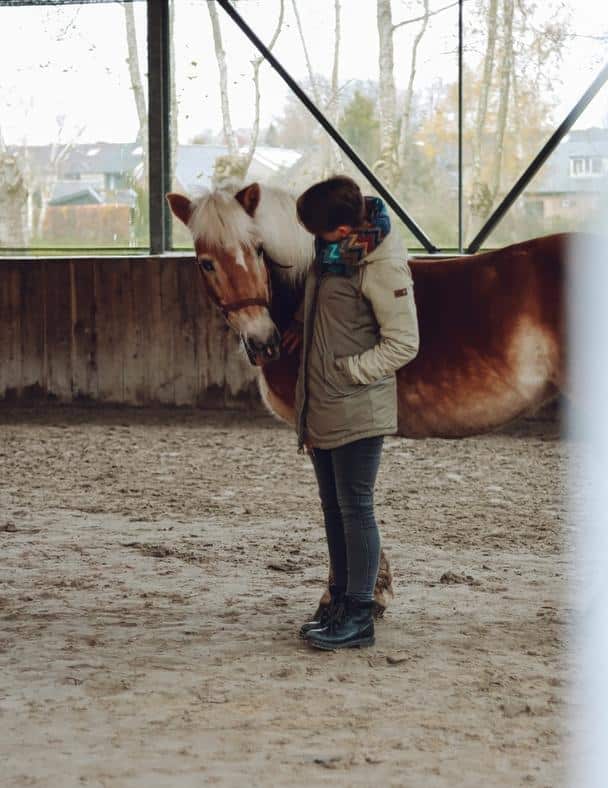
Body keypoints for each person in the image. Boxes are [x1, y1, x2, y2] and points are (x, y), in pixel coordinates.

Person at [282, 175, 419, 651]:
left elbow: (404, 342)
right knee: (333, 508)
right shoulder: (335, 255)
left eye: (318, 232)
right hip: (322, 402)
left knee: (356, 508)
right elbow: (325, 301)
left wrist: (351, 371)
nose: (314, 241)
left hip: (356, 402)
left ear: (342, 230)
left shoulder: (382, 264)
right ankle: (340, 601)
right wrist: (303, 324)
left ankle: (360, 613)